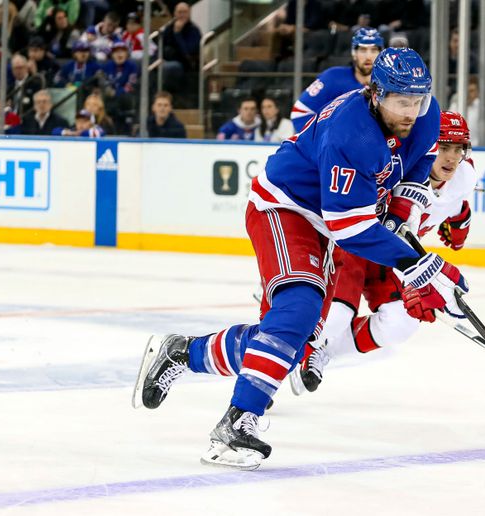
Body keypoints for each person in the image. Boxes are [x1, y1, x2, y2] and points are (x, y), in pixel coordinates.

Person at [132, 48, 467, 470]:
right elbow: (350, 228)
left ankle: (182, 353)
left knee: (295, 336)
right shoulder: (352, 133)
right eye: (402, 101)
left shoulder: (425, 113)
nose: (412, 111)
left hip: (325, 221)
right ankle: (237, 424)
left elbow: (417, 166)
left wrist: (402, 220)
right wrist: (418, 266)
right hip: (285, 206)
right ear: (376, 92)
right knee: (300, 308)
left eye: (418, 100)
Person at [288, 111, 478, 394]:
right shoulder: (405, 169)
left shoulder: (464, 176)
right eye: (442, 148)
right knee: (336, 316)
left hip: (390, 257)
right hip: (356, 243)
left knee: (401, 324)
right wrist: (420, 278)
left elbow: (452, 202)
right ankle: (272, 372)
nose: (450, 157)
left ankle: (323, 352)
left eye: (457, 149)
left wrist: (460, 216)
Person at [291, 27, 383, 132]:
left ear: (381, 53)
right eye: (363, 50)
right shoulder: (333, 77)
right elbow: (300, 112)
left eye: (374, 50)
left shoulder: (389, 84)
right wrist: (321, 141)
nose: (368, 56)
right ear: (354, 53)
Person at [161, 2, 201, 97]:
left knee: (170, 68)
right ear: (175, 13)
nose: (182, 15)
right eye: (179, 12)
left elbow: (188, 52)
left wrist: (178, 34)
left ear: (189, 13)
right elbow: (161, 46)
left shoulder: (194, 30)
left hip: (185, 64)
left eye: (185, 12)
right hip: (166, 60)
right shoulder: (168, 28)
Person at [448, 76, 485, 146]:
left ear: (478, 92)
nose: (468, 94)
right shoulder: (454, 107)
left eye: (472, 91)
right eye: (466, 90)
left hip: (477, 149)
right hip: (456, 148)